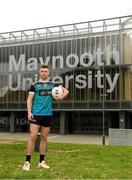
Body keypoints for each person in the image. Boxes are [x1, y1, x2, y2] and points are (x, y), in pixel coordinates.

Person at [23, 65, 69, 171]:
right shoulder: (34, 85)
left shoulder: (52, 85)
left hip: (48, 114)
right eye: (42, 71)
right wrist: (29, 112)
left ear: (48, 73)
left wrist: (59, 97)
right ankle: (27, 162)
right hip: (36, 114)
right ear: (40, 73)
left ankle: (41, 162)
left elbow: (66, 91)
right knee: (33, 136)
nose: (44, 73)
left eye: (46, 71)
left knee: (44, 138)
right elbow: (29, 99)